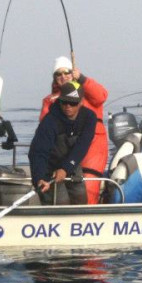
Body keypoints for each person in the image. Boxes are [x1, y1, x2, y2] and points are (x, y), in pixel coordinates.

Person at [40, 56, 109, 204]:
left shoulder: (87, 91)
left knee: (89, 187)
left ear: (73, 73)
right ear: (54, 77)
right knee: (64, 191)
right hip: (65, 151)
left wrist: (82, 79)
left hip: (92, 148)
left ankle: (89, 221)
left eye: (67, 72)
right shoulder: (50, 101)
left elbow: (101, 95)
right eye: (58, 74)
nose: (63, 76)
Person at [29, 81, 97, 205]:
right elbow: (38, 152)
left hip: (72, 164)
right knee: (60, 201)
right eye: (64, 102)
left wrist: (65, 168)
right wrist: (40, 178)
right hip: (48, 169)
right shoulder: (49, 122)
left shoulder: (89, 117)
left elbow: (82, 145)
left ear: (81, 102)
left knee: (80, 197)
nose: (68, 106)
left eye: (73, 103)